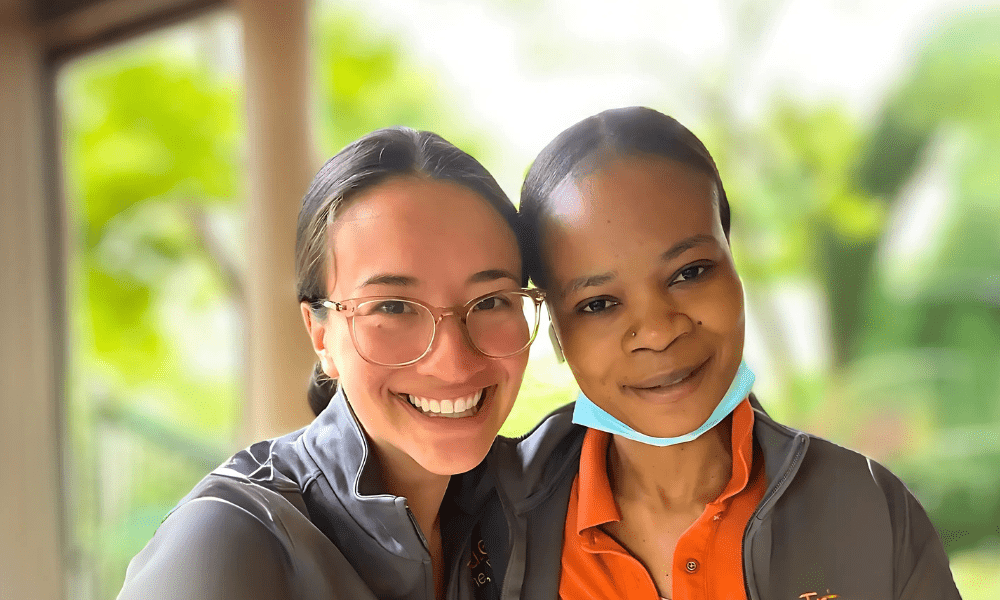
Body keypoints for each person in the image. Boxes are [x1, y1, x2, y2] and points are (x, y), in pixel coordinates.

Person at [484, 107, 960, 599]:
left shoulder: (870, 512)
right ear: (556, 331)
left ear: (733, 263)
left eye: (690, 273)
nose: (658, 332)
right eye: (598, 303)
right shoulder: (482, 525)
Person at [118, 127, 545, 600]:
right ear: (320, 334)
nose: (454, 361)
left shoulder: (527, 507)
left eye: (489, 301)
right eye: (393, 307)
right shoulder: (230, 538)